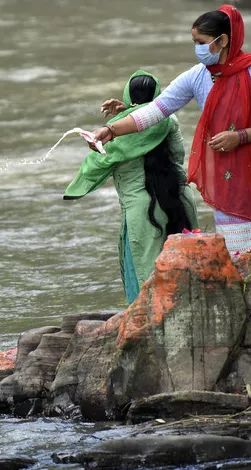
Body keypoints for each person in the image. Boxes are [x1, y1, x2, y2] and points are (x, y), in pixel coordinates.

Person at [90, 5, 251, 256]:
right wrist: (112, 129)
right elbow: (157, 109)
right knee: (241, 255)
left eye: (201, 42)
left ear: (223, 40)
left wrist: (240, 136)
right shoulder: (198, 76)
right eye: (194, 41)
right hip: (231, 174)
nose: (197, 48)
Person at [65, 71, 198, 304]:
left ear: (128, 96)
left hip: (142, 215)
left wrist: (121, 117)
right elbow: (151, 123)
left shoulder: (114, 135)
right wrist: (128, 112)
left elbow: (93, 170)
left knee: (147, 291)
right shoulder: (169, 119)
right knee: (189, 277)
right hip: (181, 200)